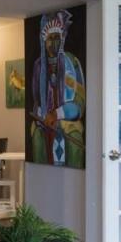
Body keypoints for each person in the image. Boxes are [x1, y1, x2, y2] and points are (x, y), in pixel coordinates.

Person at [29, 9, 85, 167]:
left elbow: (80, 104)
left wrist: (57, 114)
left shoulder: (71, 62)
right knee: (37, 135)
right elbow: (36, 100)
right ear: (44, 40)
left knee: (74, 137)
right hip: (45, 125)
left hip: (67, 125)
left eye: (57, 38)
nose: (53, 43)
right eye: (50, 38)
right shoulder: (39, 66)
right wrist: (42, 114)